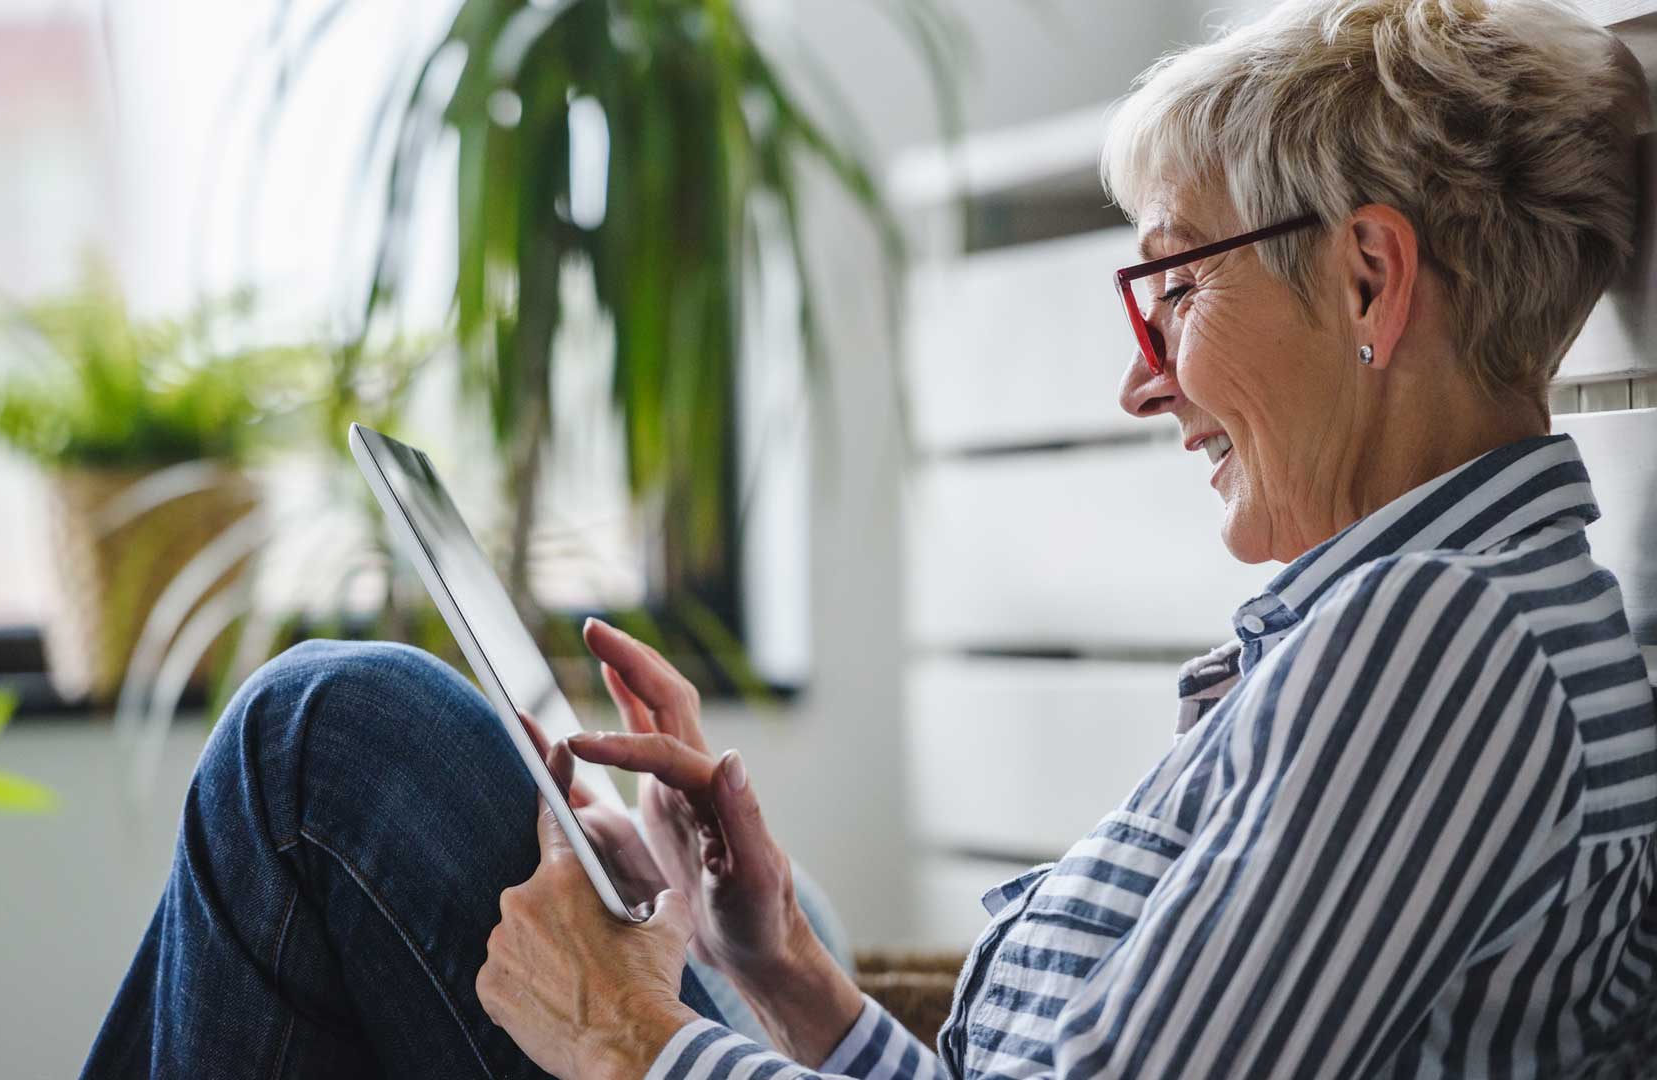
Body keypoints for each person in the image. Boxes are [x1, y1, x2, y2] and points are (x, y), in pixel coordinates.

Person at [82, 0, 1657, 1076]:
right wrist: (782, 976)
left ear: (1374, 284)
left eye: (1175, 285)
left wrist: (637, 1044)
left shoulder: (1447, 642)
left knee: (326, 743)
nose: (1139, 375)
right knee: (337, 741)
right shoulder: (1417, 629)